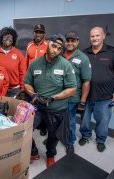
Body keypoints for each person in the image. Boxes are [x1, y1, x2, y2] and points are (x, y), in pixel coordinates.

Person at [24, 34, 77, 168]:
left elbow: (72, 88)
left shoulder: (65, 64)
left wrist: (53, 97)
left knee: (53, 136)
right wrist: (34, 94)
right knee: (25, 130)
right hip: (38, 107)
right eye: (53, 46)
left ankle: (50, 155)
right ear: (48, 44)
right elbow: (27, 83)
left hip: (56, 109)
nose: (55, 50)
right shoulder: (35, 63)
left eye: (59, 49)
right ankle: (33, 151)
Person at [79, 27, 114, 152]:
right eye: (92, 36)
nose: (94, 38)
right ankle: (86, 136)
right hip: (86, 96)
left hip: (105, 97)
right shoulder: (84, 53)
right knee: (84, 120)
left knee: (103, 122)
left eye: (97, 35)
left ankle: (100, 140)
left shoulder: (112, 52)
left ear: (103, 36)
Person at [63, 31, 92, 154]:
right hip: (58, 97)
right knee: (57, 120)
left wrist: (82, 101)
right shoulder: (59, 55)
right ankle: (55, 137)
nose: (70, 43)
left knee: (70, 122)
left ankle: (70, 143)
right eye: (68, 40)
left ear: (77, 42)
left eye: (72, 41)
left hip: (72, 98)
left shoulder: (83, 58)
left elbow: (86, 81)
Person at [26, 24, 48, 137]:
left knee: (43, 105)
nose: (38, 34)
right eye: (36, 32)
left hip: (43, 81)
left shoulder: (48, 45)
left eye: (40, 32)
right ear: (33, 33)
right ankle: (34, 124)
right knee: (32, 104)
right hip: (31, 81)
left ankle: (43, 126)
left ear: (44, 33)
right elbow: (26, 63)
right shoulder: (29, 45)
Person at [0, 26, 26, 97]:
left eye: (10, 37)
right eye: (5, 37)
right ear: (1, 39)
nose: (8, 39)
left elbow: (22, 73)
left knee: (14, 108)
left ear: (13, 39)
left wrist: (23, 89)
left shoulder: (18, 53)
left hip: (15, 90)